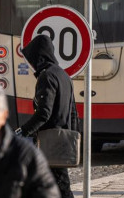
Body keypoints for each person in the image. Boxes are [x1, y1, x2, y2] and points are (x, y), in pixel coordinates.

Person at [17, 34, 78, 198]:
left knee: (58, 185)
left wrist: (23, 130)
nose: (31, 64)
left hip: (50, 141)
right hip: (61, 139)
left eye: (32, 59)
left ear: (39, 56)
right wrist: (73, 136)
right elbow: (73, 112)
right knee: (57, 184)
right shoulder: (63, 75)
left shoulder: (47, 76)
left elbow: (44, 112)